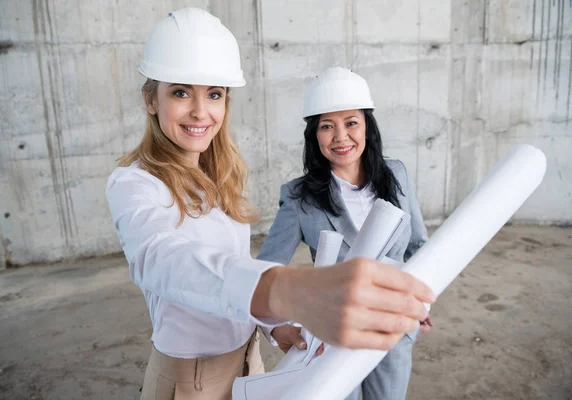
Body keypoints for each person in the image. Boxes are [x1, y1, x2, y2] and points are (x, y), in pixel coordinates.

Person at [106, 9, 435, 400]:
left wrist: (273, 324)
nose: (200, 111)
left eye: (214, 94)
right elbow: (163, 259)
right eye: (180, 92)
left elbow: (237, 269)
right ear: (151, 100)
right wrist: (287, 290)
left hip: (248, 361)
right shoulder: (133, 183)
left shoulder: (217, 179)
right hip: (190, 379)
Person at [258, 67, 433, 400]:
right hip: (335, 337)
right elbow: (264, 271)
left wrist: (420, 301)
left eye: (351, 122)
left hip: (392, 328)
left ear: (367, 125)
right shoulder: (298, 198)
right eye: (327, 126)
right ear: (314, 135)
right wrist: (275, 326)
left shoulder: (396, 174)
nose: (341, 137)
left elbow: (416, 245)